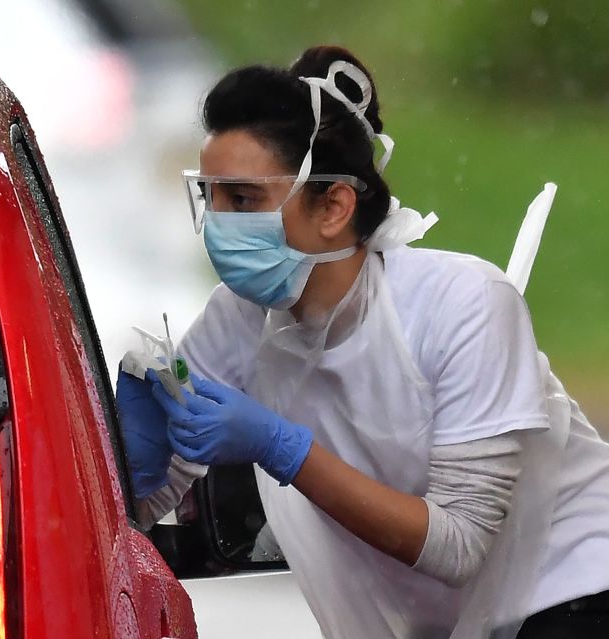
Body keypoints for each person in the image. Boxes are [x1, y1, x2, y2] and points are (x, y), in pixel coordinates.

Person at [116, 45, 609, 638]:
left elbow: (458, 545)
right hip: (450, 620)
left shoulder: (464, 302)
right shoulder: (238, 318)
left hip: (574, 587)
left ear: (334, 206)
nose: (220, 224)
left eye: (243, 200)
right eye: (210, 198)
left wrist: (285, 450)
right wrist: (132, 469)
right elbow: (149, 504)